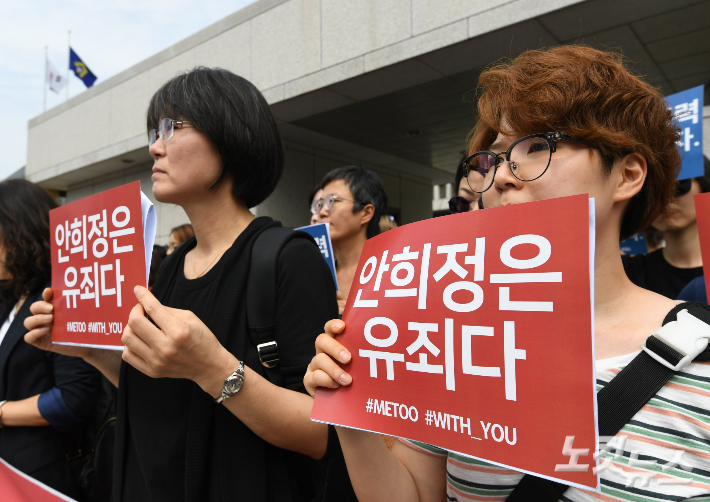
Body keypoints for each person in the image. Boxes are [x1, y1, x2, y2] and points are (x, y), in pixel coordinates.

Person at [304, 45, 710, 501]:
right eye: (490, 160)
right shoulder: (453, 341)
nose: (500, 177)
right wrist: (346, 407)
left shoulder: (701, 356)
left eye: (537, 146)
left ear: (627, 175)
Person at [25, 67, 338, 502]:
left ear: (231, 135)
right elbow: (157, 387)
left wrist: (213, 368)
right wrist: (88, 350)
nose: (155, 145)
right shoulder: (168, 268)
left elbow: (322, 431)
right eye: (155, 130)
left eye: (172, 127)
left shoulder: (288, 257)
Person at [0, 179, 100, 498]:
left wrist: (1, 412)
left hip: (39, 474)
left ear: (20, 233)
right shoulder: (11, 297)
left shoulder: (59, 295)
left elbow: (73, 399)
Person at [622, 156, 710, 298]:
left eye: (679, 184)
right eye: (650, 191)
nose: (664, 198)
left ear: (704, 185)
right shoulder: (626, 273)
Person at [312, 166, 388, 315]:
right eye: (320, 204)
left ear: (366, 213)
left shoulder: (392, 274)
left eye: (332, 201)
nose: (321, 213)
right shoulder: (317, 273)